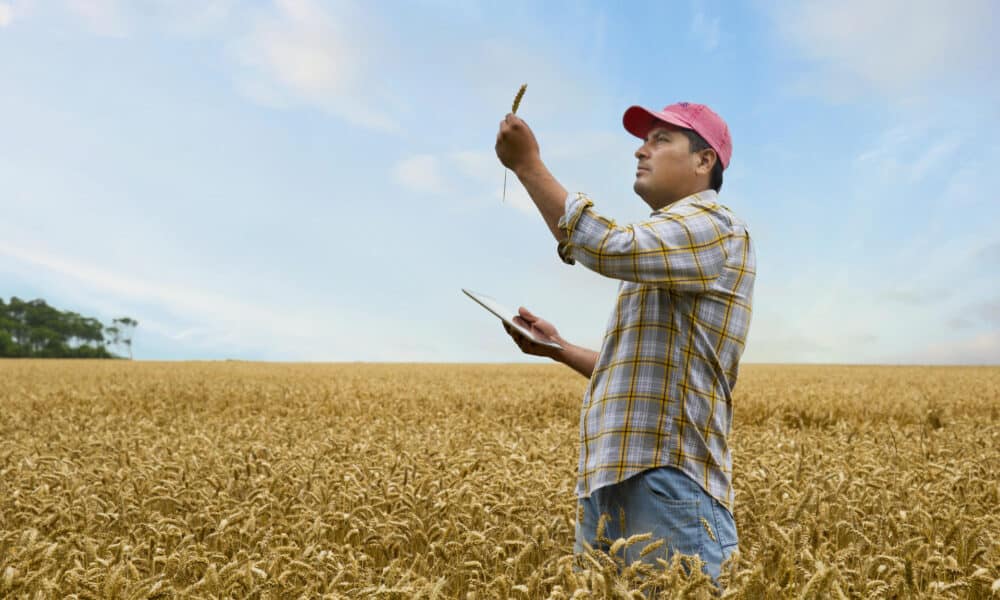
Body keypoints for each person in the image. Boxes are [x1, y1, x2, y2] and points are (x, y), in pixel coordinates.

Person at [494, 101, 755, 583]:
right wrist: (559, 347)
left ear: (704, 161)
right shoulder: (670, 248)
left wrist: (528, 165)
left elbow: (608, 245)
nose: (641, 150)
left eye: (660, 139)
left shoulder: (712, 225)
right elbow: (636, 374)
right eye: (644, 139)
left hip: (669, 483)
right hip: (611, 483)